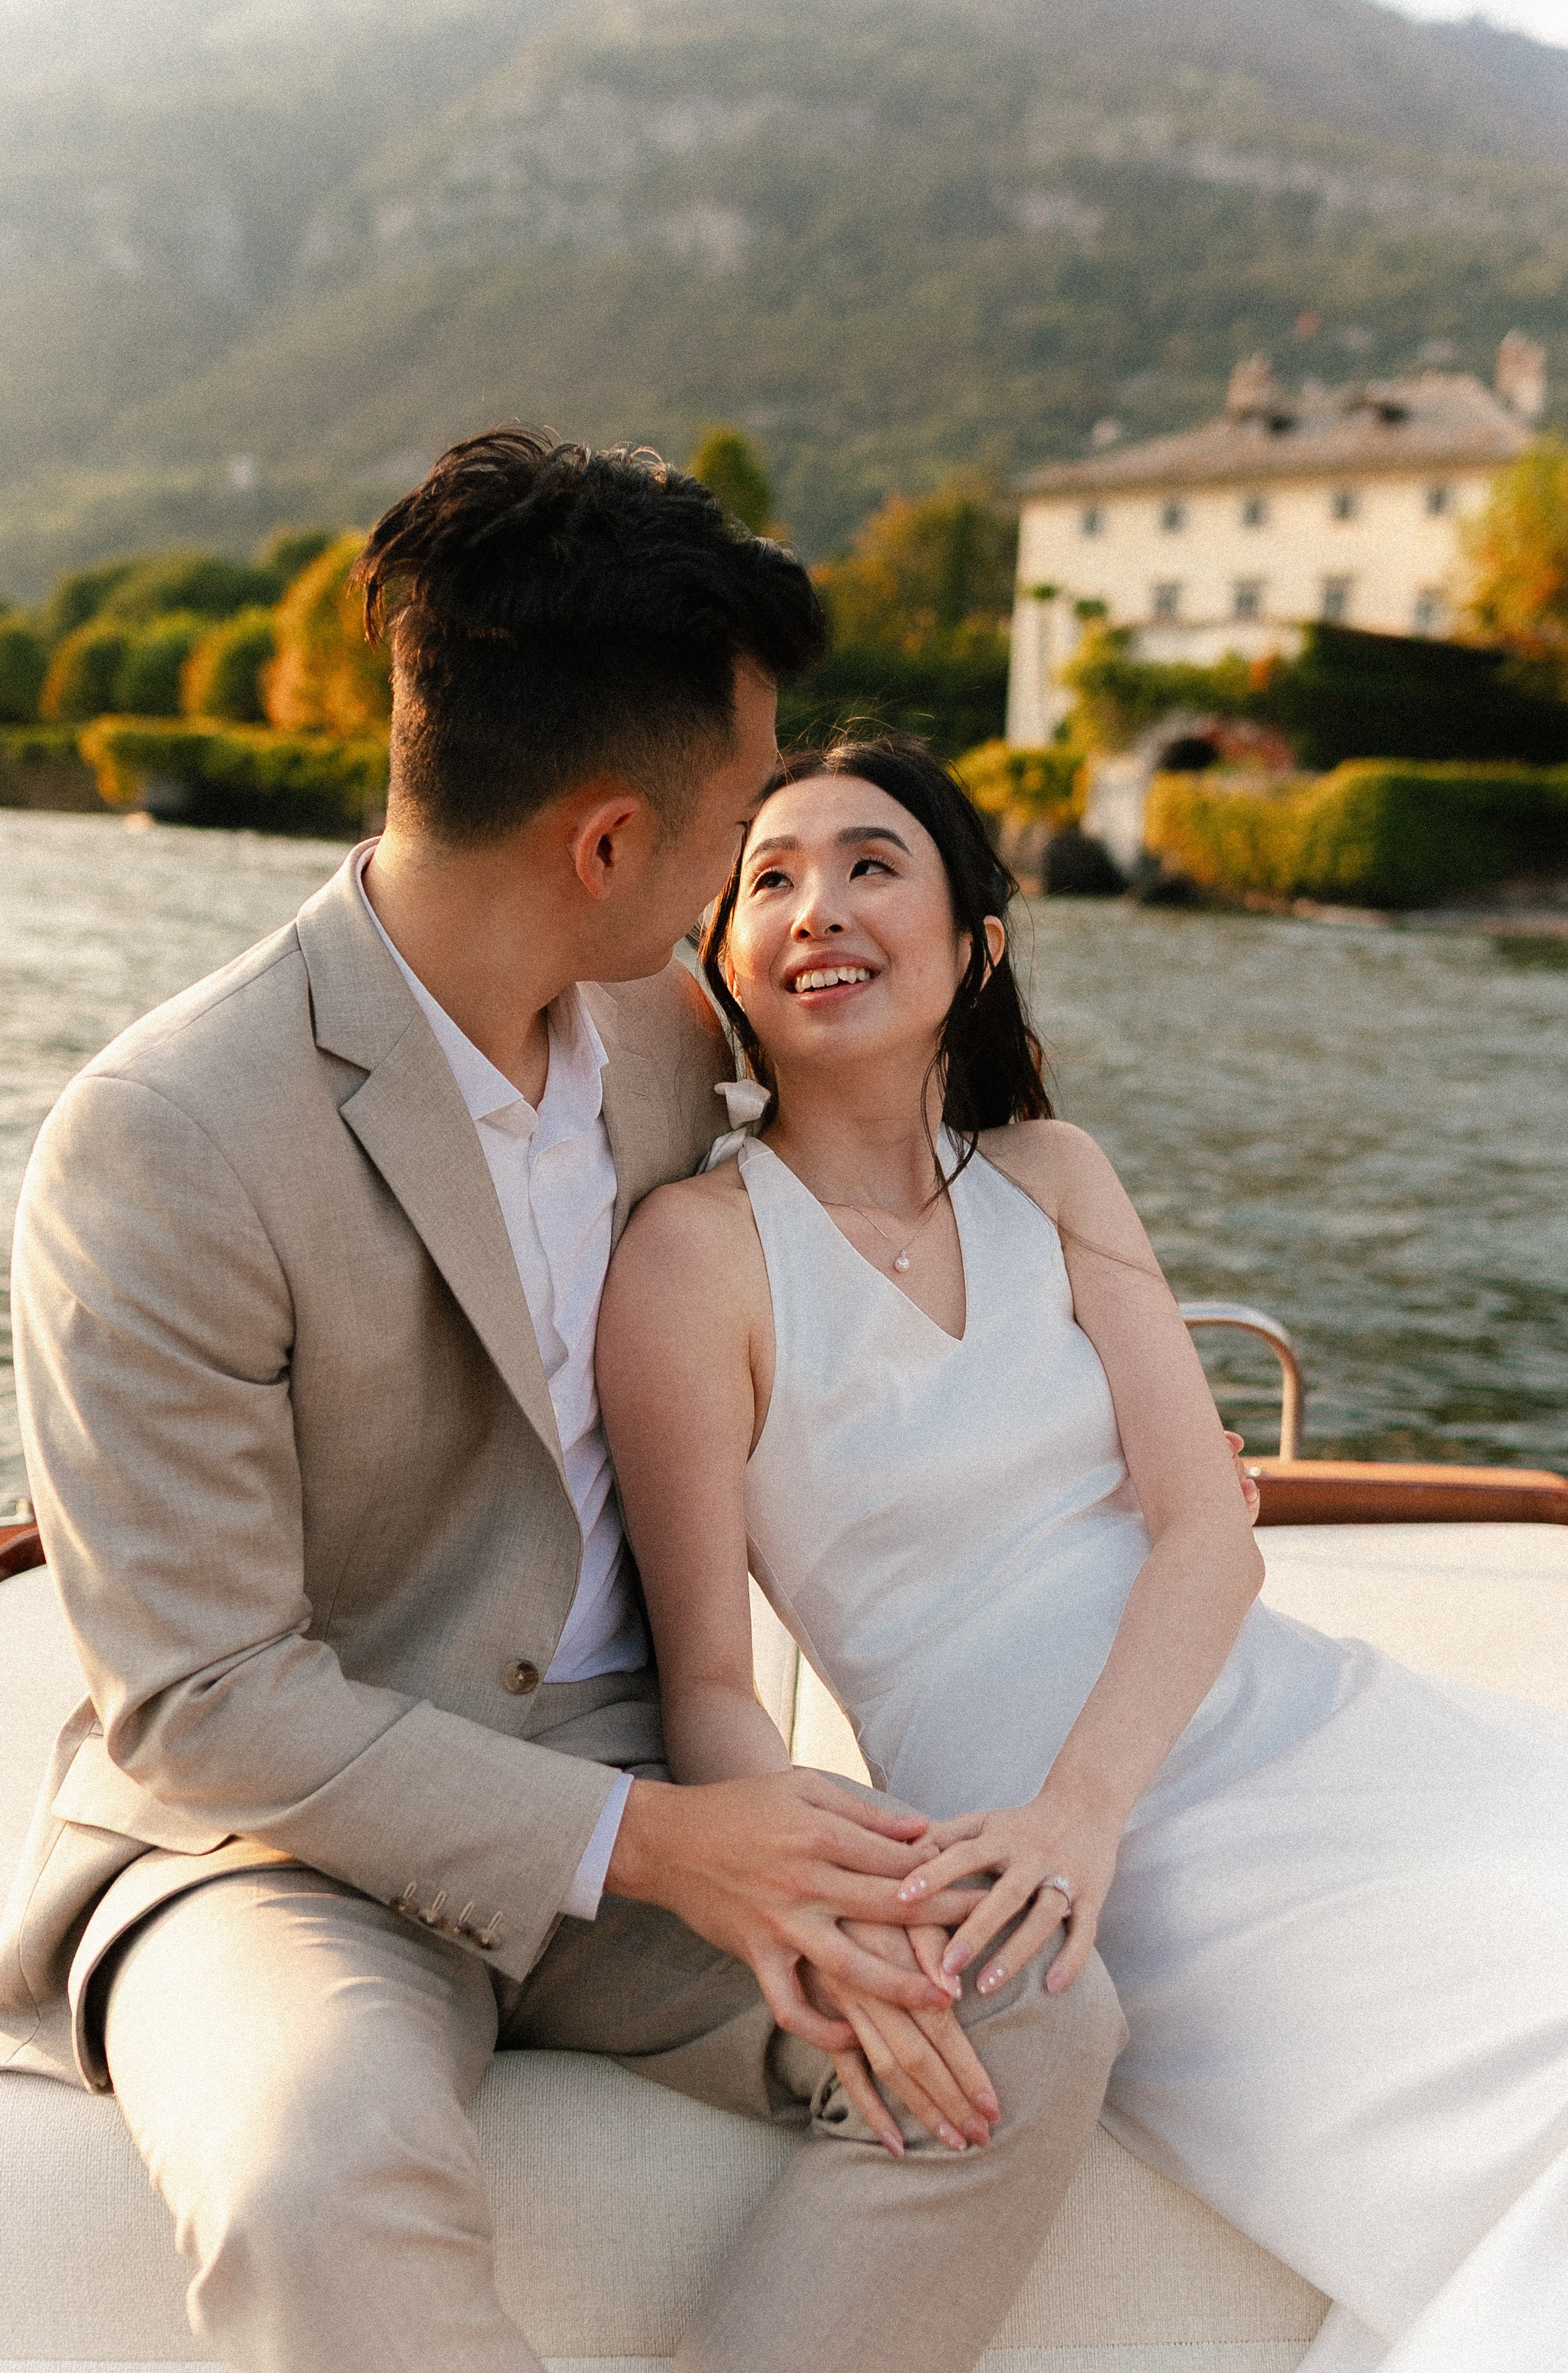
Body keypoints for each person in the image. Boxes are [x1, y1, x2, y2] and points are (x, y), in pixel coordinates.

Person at [0, 446, 1125, 2373]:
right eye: (737, 827)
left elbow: (887, 1171)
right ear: (610, 847)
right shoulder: (165, 1135)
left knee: (1027, 2017)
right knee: (313, 2172)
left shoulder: (669, 1047)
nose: (750, 880)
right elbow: (200, 1698)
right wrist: (663, 1844)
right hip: (273, 1848)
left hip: (657, 1783)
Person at [595, 733, 1568, 2373]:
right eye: (765, 879)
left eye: (867, 865)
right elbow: (707, 1680)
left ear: (973, 943)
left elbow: (1208, 1529)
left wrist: (1086, 1804)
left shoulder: (1053, 1177)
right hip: (1037, 1854)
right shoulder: (693, 1257)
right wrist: (823, 1911)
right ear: (722, 968)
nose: (813, 906)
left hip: (1262, 1736)